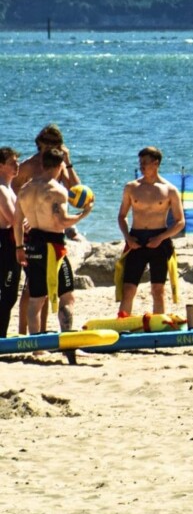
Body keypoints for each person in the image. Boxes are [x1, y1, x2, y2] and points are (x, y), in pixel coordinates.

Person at [13, 148, 93, 362]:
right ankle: (67, 343)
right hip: (52, 247)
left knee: (36, 298)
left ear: (42, 164)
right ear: (59, 166)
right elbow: (62, 222)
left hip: (31, 246)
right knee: (67, 295)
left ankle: (37, 347)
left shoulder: (25, 189)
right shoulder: (57, 190)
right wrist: (84, 214)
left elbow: (17, 222)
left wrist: (19, 248)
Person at [12, 124, 81, 335]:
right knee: (32, 287)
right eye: (46, 143)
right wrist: (25, 218)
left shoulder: (58, 165)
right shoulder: (28, 166)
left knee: (46, 286)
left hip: (50, 227)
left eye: (54, 144)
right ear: (39, 142)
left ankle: (42, 331)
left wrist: (67, 163)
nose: (49, 147)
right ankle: (24, 332)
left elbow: (76, 192)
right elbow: (15, 193)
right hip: (32, 229)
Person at [116, 147, 185, 316]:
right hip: (136, 239)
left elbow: (180, 221)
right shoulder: (131, 187)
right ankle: (123, 324)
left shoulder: (169, 190)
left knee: (158, 289)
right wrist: (128, 238)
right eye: (140, 163)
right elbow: (122, 216)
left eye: (145, 163)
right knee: (129, 288)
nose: (142, 166)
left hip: (159, 240)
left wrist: (161, 238)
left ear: (156, 163)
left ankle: (158, 325)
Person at [0, 148, 21, 338]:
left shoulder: (9, 188)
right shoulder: (1, 189)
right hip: (4, 243)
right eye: (12, 162)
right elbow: (13, 220)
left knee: (10, 294)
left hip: (9, 242)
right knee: (7, 294)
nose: (17, 165)